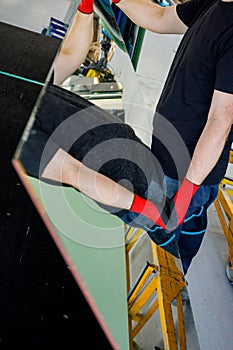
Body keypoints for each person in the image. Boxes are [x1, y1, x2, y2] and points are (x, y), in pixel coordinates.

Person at [19, 0, 184, 257]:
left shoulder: (15, 79)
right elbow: (76, 174)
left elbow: (70, 56)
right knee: (174, 240)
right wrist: (142, 208)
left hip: (139, 156)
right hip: (131, 187)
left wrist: (86, 8)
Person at [110, 0, 233, 274]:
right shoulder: (214, 3)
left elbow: (221, 120)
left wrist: (187, 192)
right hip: (165, 153)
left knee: (172, 260)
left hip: (188, 175)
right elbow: (160, 16)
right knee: (150, 237)